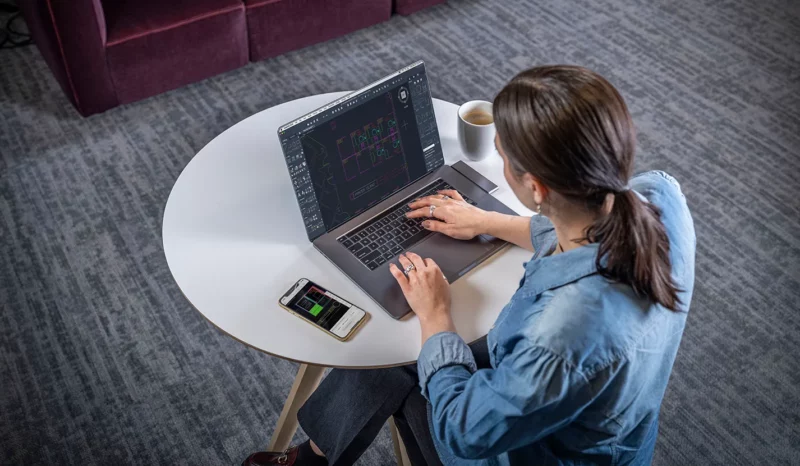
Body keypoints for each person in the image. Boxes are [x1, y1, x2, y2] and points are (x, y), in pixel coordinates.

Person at [243, 65, 695, 466]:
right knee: (391, 348)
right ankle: (317, 456)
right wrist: (485, 221)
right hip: (593, 416)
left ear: (536, 188)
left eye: (503, 156)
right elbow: (579, 226)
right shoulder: (659, 195)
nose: (499, 161)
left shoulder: (556, 338)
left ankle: (312, 458)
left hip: (529, 451)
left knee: (400, 356)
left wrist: (437, 318)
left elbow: (464, 433)